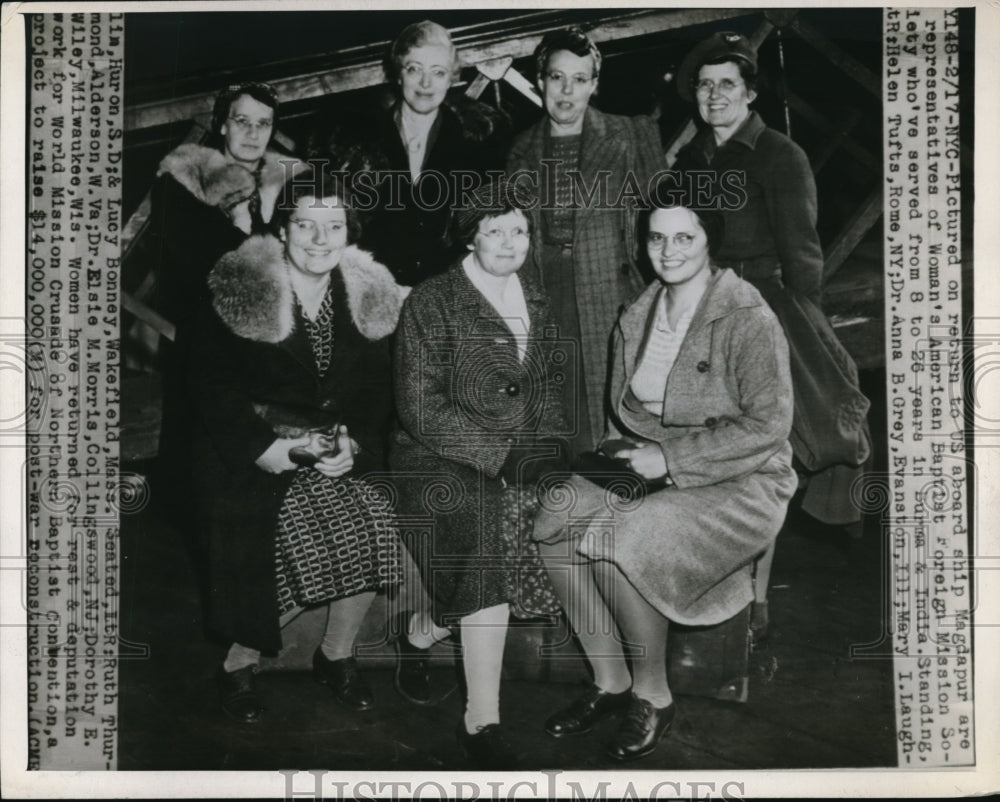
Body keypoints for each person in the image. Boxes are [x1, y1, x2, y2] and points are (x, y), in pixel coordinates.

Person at [533, 202, 797, 761]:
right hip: (651, 459)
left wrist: (672, 460)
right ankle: (610, 680)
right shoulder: (639, 312)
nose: (669, 251)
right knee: (556, 515)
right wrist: (621, 454)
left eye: (684, 237)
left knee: (625, 538)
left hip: (742, 474)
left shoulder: (747, 315)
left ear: (709, 241)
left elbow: (769, 426)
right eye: (657, 239)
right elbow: (625, 408)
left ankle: (653, 694)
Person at [186, 166, 408, 723]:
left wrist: (351, 444)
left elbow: (378, 389)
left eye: (332, 227)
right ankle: (238, 665)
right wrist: (268, 449)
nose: (319, 240)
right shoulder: (239, 287)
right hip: (250, 454)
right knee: (284, 527)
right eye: (305, 225)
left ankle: (336, 655)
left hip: (331, 449)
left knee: (375, 514)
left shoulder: (367, 293)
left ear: (348, 233)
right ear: (282, 229)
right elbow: (208, 388)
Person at [671, 31, 871, 646]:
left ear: (750, 92)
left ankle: (755, 601)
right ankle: (705, 588)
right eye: (704, 85)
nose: (714, 95)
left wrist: (802, 332)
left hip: (762, 314)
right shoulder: (690, 161)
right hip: (701, 314)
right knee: (702, 451)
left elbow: (802, 255)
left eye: (727, 83)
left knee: (763, 458)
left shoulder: (780, 155)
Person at [391, 182, 569, 769]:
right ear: (470, 234)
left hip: (513, 450)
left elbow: (545, 386)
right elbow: (418, 407)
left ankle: (423, 629)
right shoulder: (432, 299)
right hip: (434, 454)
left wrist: (551, 449)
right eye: (494, 230)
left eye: (519, 229)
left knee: (572, 508)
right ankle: (481, 719)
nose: (510, 242)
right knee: (485, 519)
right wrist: (499, 456)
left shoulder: (534, 294)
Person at [150, 81, 304, 528]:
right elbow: (202, 266)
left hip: (276, 346)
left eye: (264, 124)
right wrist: (257, 230)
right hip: (208, 343)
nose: (253, 134)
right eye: (242, 121)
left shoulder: (286, 180)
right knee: (211, 492)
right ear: (221, 125)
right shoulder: (183, 182)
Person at [507, 26, 666, 456]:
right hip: (547, 295)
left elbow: (666, 219)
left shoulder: (631, 135)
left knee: (622, 420)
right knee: (567, 421)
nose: (566, 90)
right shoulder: (520, 149)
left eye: (579, 79)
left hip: (612, 293)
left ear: (594, 85)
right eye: (556, 77)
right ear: (540, 82)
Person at [314, 20, 509, 287]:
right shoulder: (355, 144)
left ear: (451, 78)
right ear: (398, 73)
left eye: (438, 72)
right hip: (376, 288)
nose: (425, 83)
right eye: (414, 69)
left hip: (454, 290)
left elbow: (490, 230)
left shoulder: (480, 141)